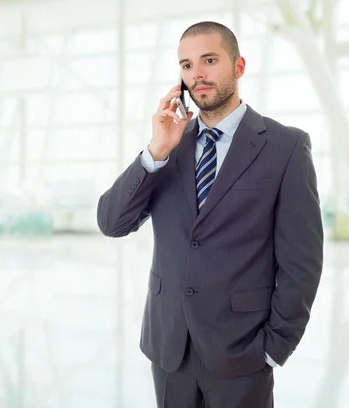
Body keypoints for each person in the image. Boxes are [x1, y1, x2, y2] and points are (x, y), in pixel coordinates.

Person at [97, 21, 323, 408]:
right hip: (170, 351)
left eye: (209, 60)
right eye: (186, 65)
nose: (196, 73)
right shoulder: (169, 146)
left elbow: (302, 261)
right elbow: (111, 222)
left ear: (238, 67)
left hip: (243, 352)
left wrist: (274, 348)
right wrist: (155, 153)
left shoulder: (285, 147)